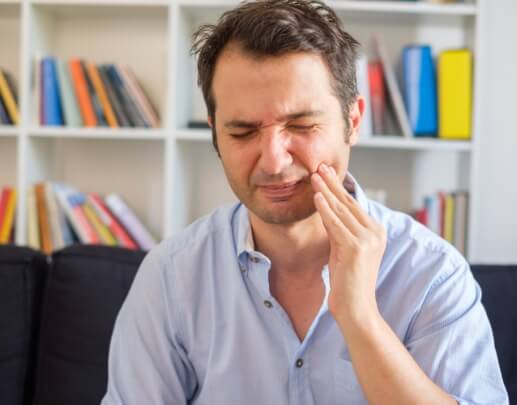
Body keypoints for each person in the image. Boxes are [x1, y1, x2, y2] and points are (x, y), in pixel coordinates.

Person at [101, 0, 508, 404]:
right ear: (215, 135)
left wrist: (360, 317)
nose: (275, 162)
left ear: (352, 122)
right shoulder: (172, 276)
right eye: (242, 132)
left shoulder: (432, 274)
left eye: (301, 125)